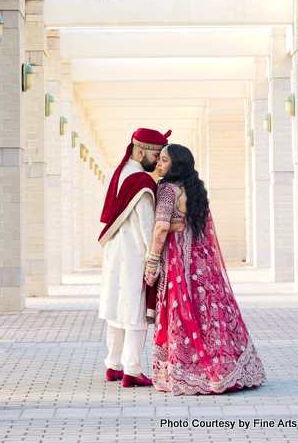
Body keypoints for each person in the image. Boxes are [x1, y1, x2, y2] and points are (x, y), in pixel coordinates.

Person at [145, 144, 266, 396]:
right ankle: (222, 370)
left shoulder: (167, 190)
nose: (159, 164)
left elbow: (160, 228)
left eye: (164, 160)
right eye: (160, 160)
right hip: (201, 260)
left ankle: (190, 372)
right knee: (207, 314)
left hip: (178, 261)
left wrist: (152, 262)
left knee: (184, 314)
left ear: (176, 165)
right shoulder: (194, 188)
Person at [98, 128, 172, 388]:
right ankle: (132, 370)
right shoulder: (141, 181)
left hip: (114, 252)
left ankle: (113, 365)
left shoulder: (116, 174)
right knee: (136, 314)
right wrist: (156, 257)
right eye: (155, 155)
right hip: (134, 255)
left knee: (117, 310)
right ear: (140, 150)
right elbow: (148, 226)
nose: (156, 161)